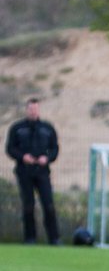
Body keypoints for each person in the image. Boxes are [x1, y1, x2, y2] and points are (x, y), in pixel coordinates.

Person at [6, 97, 60, 245]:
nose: (33, 111)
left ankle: (54, 238)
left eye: (35, 108)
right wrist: (23, 157)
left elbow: (55, 149)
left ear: (38, 109)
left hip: (42, 172)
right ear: (26, 109)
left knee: (48, 205)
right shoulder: (17, 128)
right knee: (28, 205)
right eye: (30, 108)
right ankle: (30, 238)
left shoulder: (47, 128)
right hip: (24, 172)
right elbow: (10, 148)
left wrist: (47, 158)